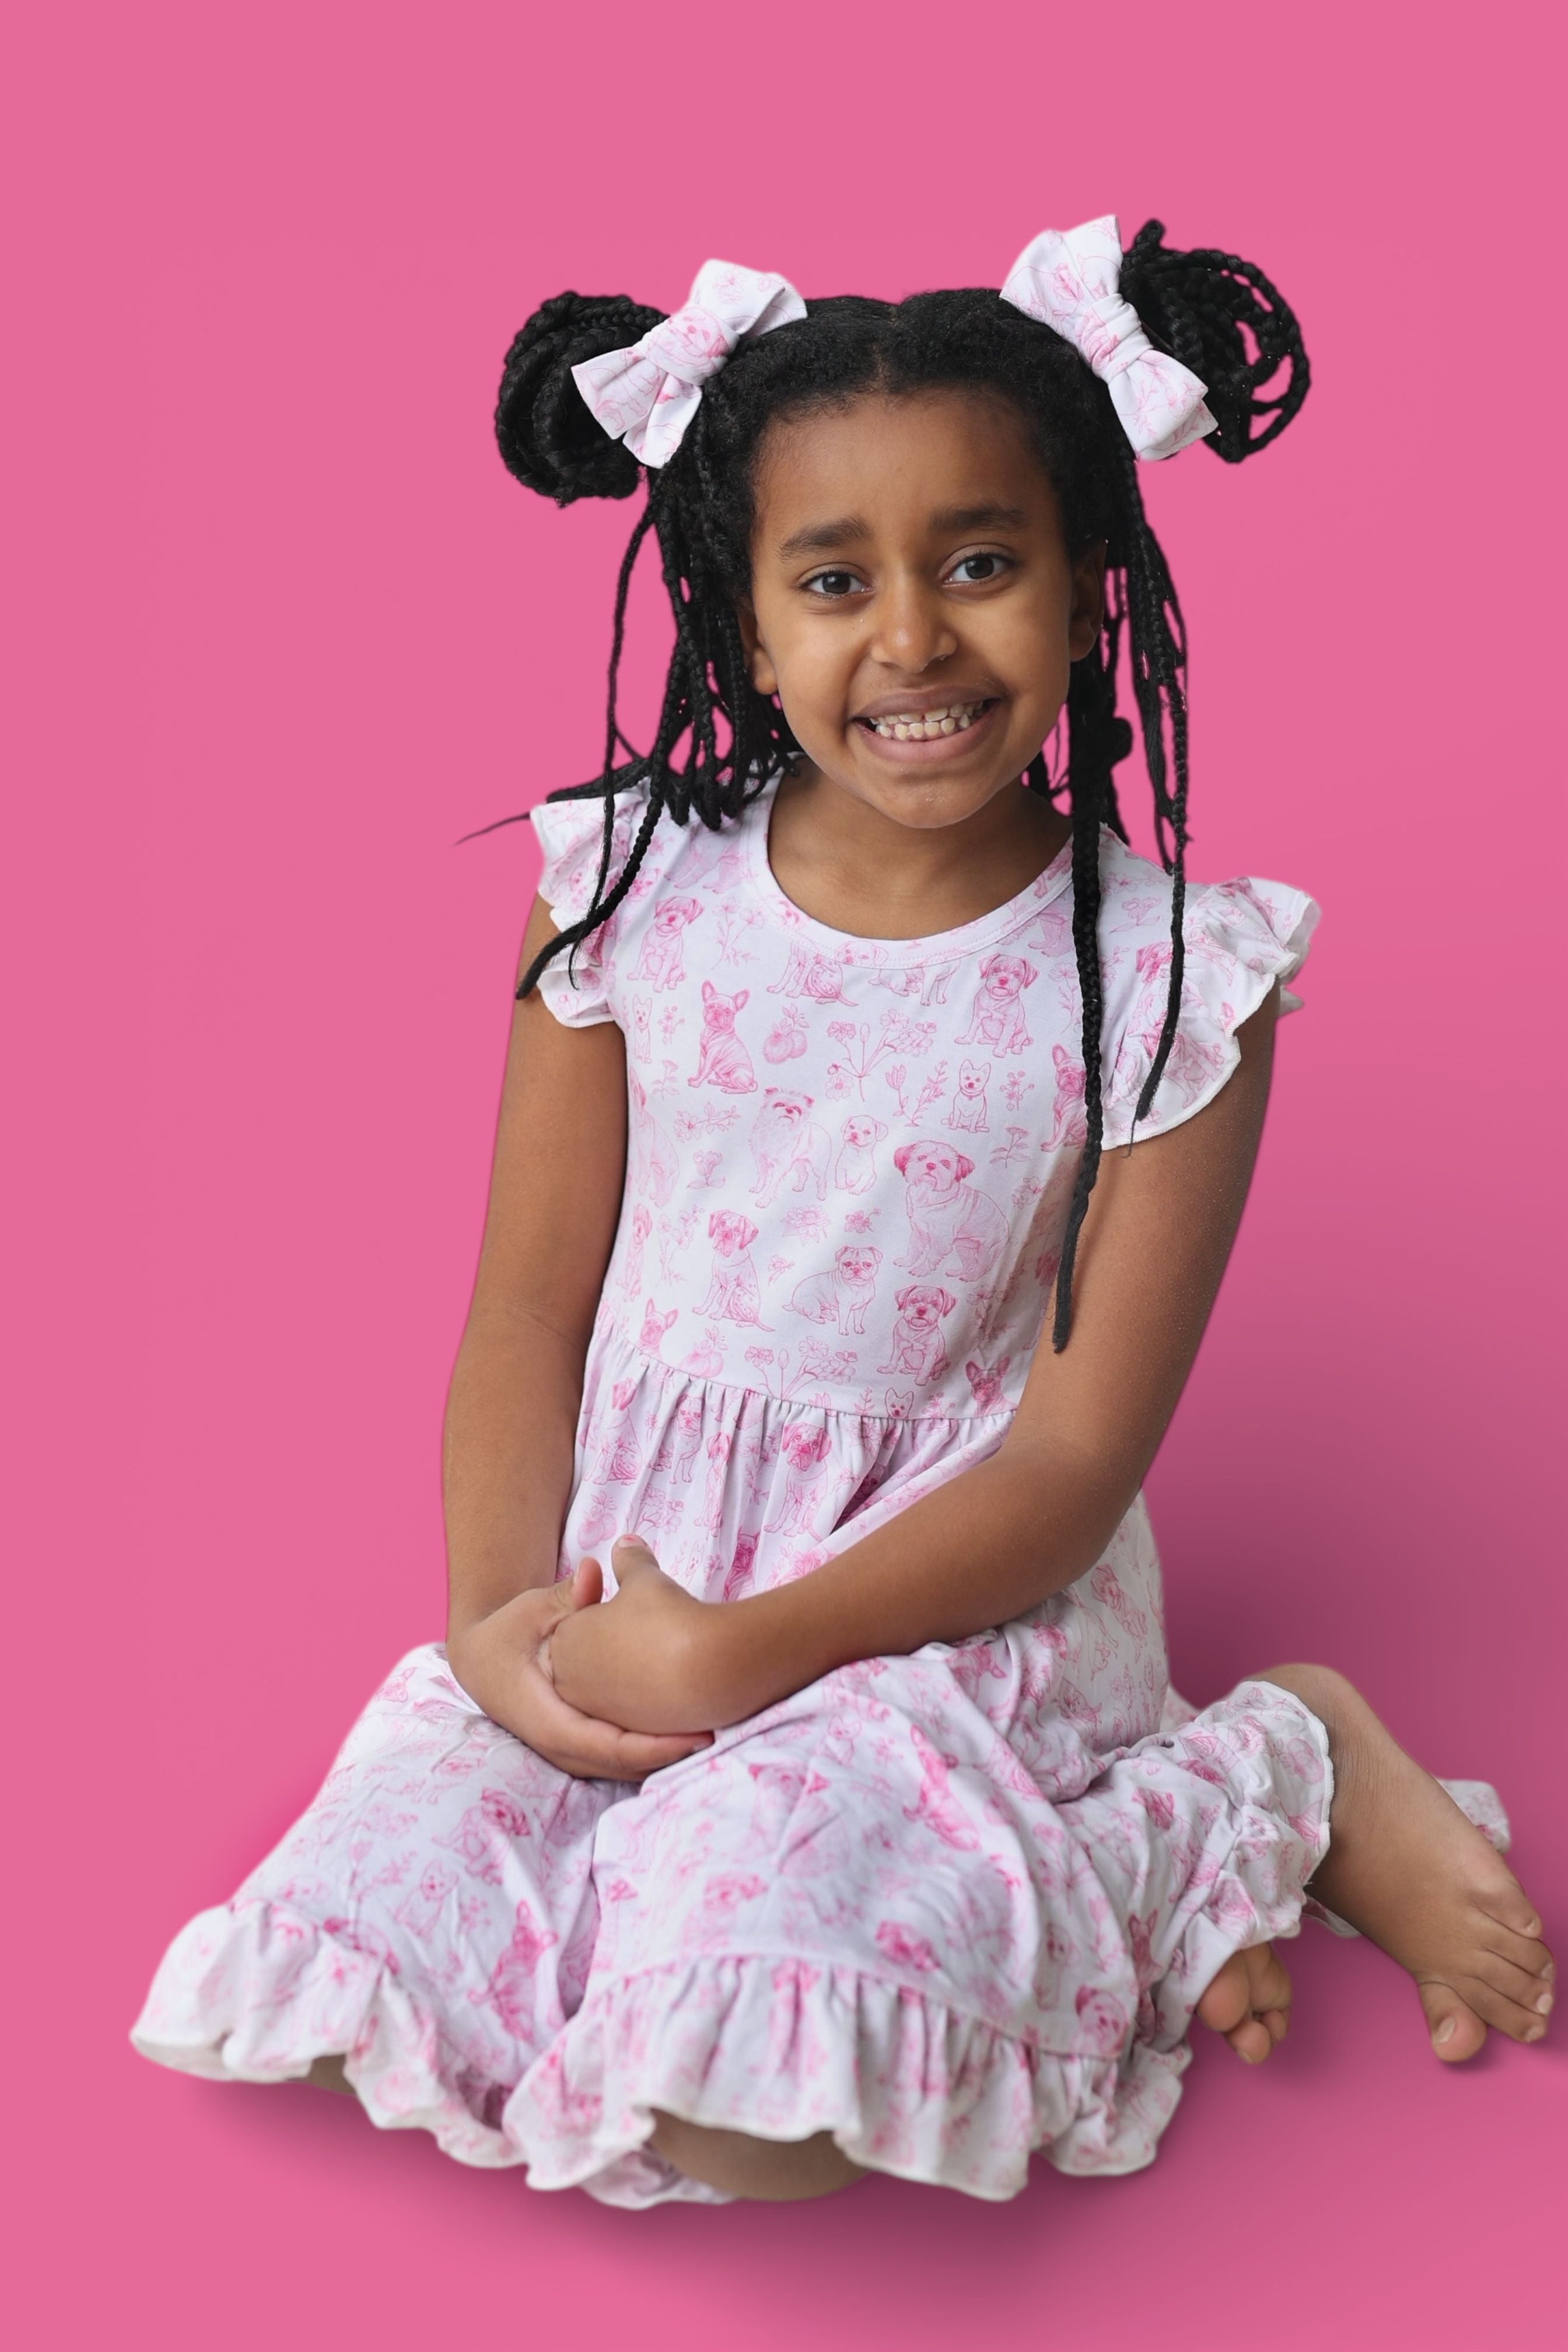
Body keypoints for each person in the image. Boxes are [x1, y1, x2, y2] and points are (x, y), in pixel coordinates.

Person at [132, 220, 1553, 2207]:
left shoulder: (1172, 978)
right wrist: (496, 1624)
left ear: (1090, 584)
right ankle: (1064, 1889)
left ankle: (1251, 1783)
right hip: (629, 1570)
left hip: (939, 1601)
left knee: (748, 2114)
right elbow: (527, 1309)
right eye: (832, 579)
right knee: (390, 1956)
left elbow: (1069, 1461)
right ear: (741, 620)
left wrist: (746, 1661)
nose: (911, 640)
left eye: (980, 563)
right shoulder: (622, 892)